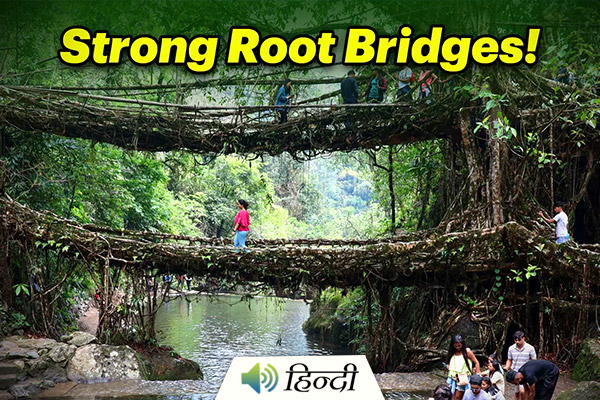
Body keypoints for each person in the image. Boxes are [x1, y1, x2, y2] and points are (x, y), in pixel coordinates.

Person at [446, 334, 481, 399]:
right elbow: (448, 363)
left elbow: (476, 362)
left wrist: (478, 376)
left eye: (459, 345)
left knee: (458, 397)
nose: (457, 347)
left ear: (462, 343)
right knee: (454, 396)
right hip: (454, 378)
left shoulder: (467, 351)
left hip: (463, 378)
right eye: (455, 346)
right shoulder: (452, 352)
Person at [504, 331, 536, 400]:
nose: (517, 342)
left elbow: (534, 361)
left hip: (526, 373)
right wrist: (507, 367)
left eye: (519, 340)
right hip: (515, 373)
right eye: (515, 340)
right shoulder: (511, 348)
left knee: (524, 391)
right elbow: (509, 360)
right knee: (517, 392)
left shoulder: (530, 348)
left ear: (523, 338)